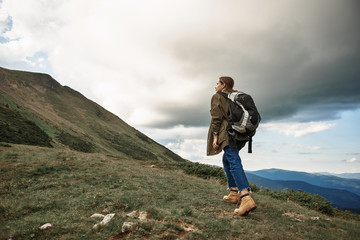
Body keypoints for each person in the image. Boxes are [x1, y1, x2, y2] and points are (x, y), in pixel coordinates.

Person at [207, 76, 257, 216]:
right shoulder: (234, 96)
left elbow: (216, 118)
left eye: (217, 84)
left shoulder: (218, 96)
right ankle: (234, 193)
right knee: (227, 159)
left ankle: (245, 197)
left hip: (228, 134)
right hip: (241, 134)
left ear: (223, 85)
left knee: (233, 160)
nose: (215, 87)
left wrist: (215, 137)